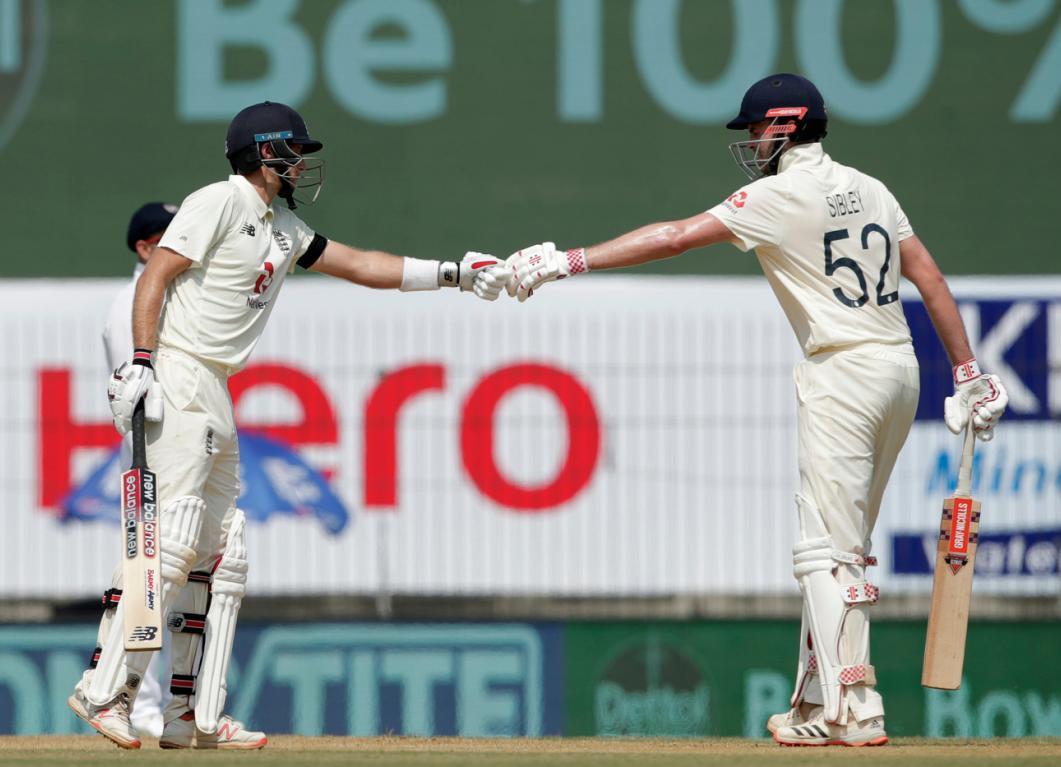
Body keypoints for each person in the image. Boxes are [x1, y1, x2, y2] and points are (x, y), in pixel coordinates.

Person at [482, 73, 1010, 747]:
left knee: (823, 549)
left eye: (757, 128)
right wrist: (966, 372)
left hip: (841, 375)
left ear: (784, 127)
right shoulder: (873, 188)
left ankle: (857, 704)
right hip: (899, 372)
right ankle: (817, 703)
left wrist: (567, 260)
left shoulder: (775, 195)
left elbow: (673, 235)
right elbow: (928, 276)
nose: (752, 140)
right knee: (844, 545)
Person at [67, 100, 502, 751]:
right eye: (294, 152)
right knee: (175, 541)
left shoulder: (284, 226)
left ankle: (191, 716)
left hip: (215, 387)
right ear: (266, 154)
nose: (302, 163)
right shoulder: (217, 200)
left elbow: (359, 264)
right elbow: (156, 274)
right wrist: (140, 361)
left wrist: (453, 274)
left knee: (221, 554)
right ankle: (106, 690)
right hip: (181, 374)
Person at [81, 203, 179, 739]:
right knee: (148, 585)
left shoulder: (174, 295)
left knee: (181, 587)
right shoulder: (131, 303)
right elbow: (136, 396)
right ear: (145, 248)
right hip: (150, 460)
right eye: (170, 237)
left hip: (179, 459)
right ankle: (129, 704)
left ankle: (170, 712)